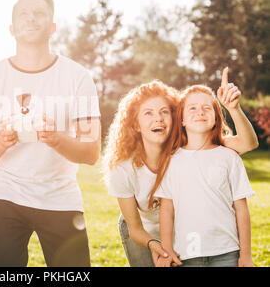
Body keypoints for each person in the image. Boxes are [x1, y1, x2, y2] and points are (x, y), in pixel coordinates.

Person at [0, 0, 101, 267]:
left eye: (39, 13)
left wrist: (55, 139)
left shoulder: (78, 77)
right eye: (23, 14)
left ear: (52, 27)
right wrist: (0, 142)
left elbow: (90, 153)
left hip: (60, 196)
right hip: (5, 194)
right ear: (11, 28)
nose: (30, 19)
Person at [103, 68, 258, 267]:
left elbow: (247, 144)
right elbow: (135, 228)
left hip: (185, 231)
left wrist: (233, 109)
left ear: (176, 118)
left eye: (164, 112)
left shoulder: (190, 147)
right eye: (148, 113)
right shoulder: (123, 168)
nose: (158, 118)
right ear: (136, 124)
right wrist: (156, 245)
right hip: (143, 231)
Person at [153, 84, 255, 267]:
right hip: (187, 254)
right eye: (192, 108)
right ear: (181, 120)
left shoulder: (229, 157)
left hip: (227, 252)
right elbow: (166, 210)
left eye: (207, 108)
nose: (200, 112)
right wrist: (167, 250)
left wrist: (245, 255)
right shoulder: (170, 161)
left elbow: (241, 209)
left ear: (216, 119)